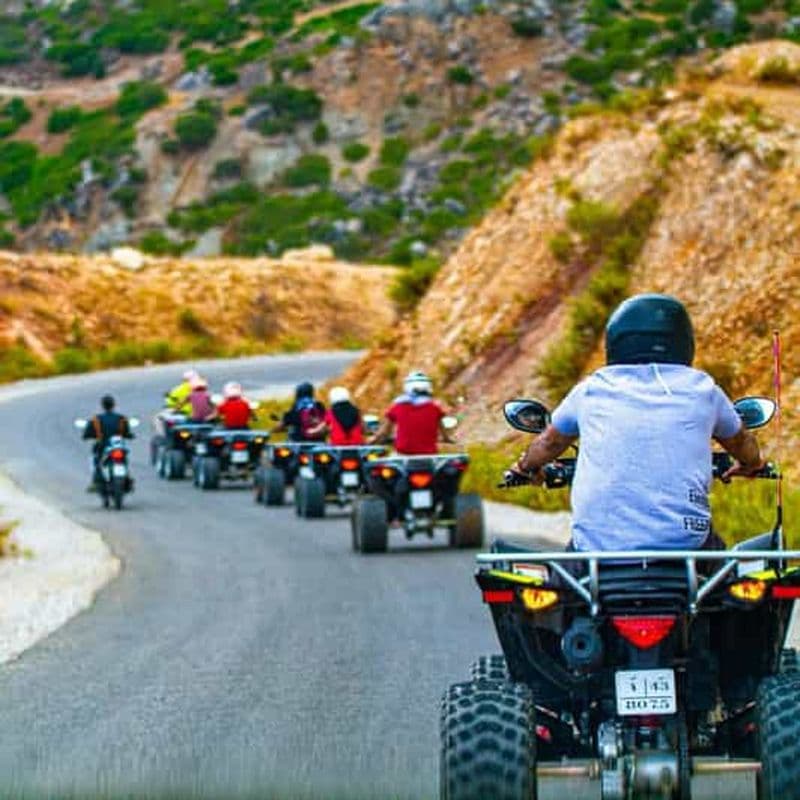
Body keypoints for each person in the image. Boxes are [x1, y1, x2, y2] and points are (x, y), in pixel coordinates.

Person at [508, 294, 765, 553]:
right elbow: (740, 440)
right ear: (684, 341)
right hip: (684, 544)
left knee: (563, 587)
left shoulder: (592, 389)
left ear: (615, 340)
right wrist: (752, 464)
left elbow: (550, 441)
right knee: (725, 581)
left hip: (599, 547)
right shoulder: (703, 390)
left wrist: (525, 467)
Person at [370, 370, 453, 455]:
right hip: (429, 456)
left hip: (404, 454)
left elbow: (384, 433)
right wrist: (447, 439)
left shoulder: (398, 407)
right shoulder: (434, 408)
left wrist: (373, 441)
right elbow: (444, 435)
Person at [82, 395, 134, 489]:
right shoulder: (121, 418)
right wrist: (129, 435)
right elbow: (127, 432)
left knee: (95, 459)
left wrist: (86, 436)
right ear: (113, 405)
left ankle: (96, 480)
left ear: (102, 405)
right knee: (124, 459)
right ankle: (127, 477)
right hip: (118, 445)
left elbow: (87, 432)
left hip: (102, 445)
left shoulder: (96, 419)